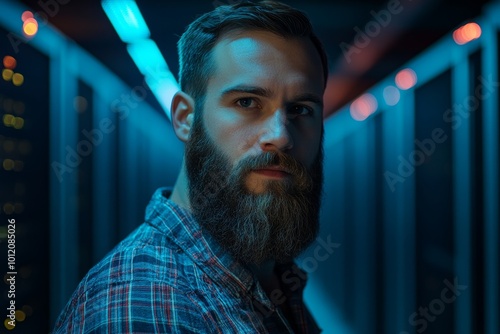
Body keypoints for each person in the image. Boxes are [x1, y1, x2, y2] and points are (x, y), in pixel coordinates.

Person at [53, 1, 328, 332]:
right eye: (247, 102)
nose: (282, 136)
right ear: (185, 117)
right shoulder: (139, 305)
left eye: (300, 109)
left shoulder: (268, 273)